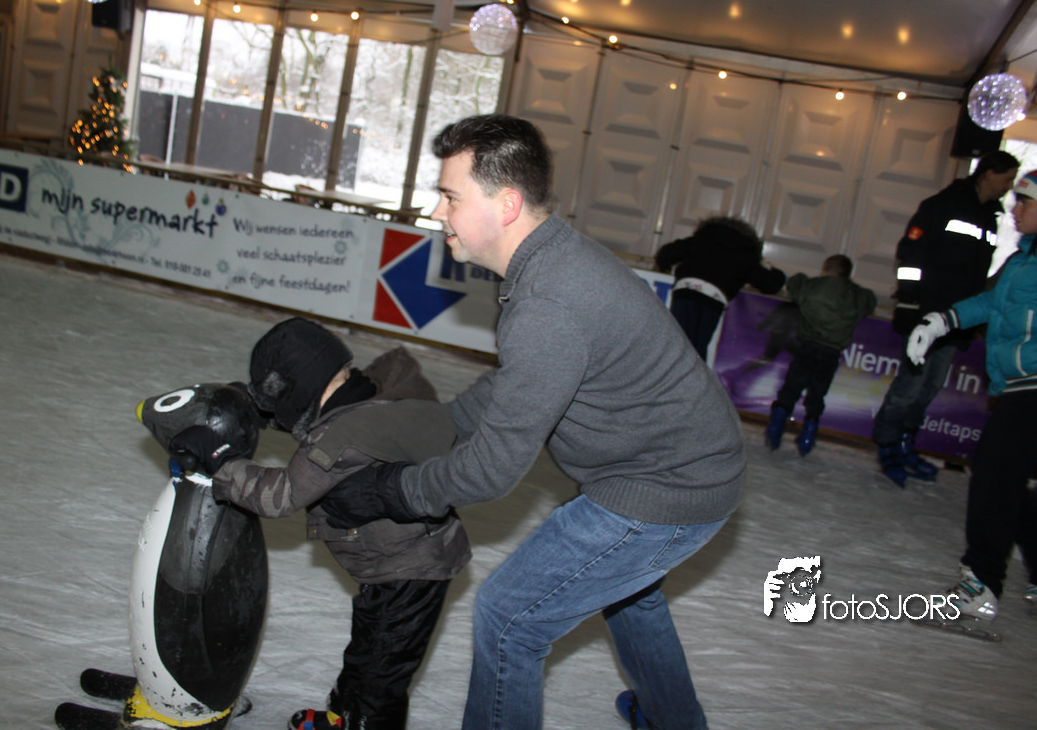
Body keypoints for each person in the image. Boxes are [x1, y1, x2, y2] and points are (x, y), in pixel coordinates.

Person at [318, 114, 746, 730]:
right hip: (684, 465)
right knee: (631, 597)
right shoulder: (553, 261)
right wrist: (432, 426)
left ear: (508, 204)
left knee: (508, 619)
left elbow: (492, 470)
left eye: (450, 197)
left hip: (666, 487)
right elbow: (515, 384)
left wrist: (390, 490)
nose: (437, 213)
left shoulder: (546, 302)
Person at [169, 317, 471, 730]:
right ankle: (342, 716)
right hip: (398, 561)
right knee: (366, 655)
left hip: (410, 571)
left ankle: (363, 721)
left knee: (379, 679)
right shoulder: (373, 392)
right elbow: (320, 416)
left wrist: (221, 462)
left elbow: (280, 495)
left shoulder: (340, 439)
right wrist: (262, 408)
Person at [906, 164, 1037, 629]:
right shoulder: (1026, 257)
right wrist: (941, 321)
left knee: (994, 481)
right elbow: (990, 301)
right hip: (1024, 386)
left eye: (1026, 203)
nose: (1015, 210)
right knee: (1003, 481)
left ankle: (979, 587)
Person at [872, 150, 1020, 486]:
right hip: (926, 313)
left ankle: (906, 441)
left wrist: (975, 317)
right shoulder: (942, 205)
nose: (1009, 186)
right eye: (1007, 178)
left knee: (931, 387)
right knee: (910, 385)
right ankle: (887, 443)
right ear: (988, 174)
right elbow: (910, 254)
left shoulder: (990, 217)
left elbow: (977, 274)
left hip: (956, 319)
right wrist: (909, 301)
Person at [765, 254, 877, 456]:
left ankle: (776, 425)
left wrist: (801, 277)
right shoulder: (857, 295)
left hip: (808, 346)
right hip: (832, 351)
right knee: (817, 393)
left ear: (825, 270)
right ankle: (808, 435)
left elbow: (795, 284)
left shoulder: (813, 287)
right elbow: (870, 300)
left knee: (792, 387)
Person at [654, 215, 786, 364]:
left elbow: (665, 255)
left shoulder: (700, 239)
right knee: (697, 349)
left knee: (676, 342)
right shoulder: (745, 254)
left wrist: (667, 266)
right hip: (714, 299)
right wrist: (773, 270)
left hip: (686, 291)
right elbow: (771, 284)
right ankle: (691, 377)